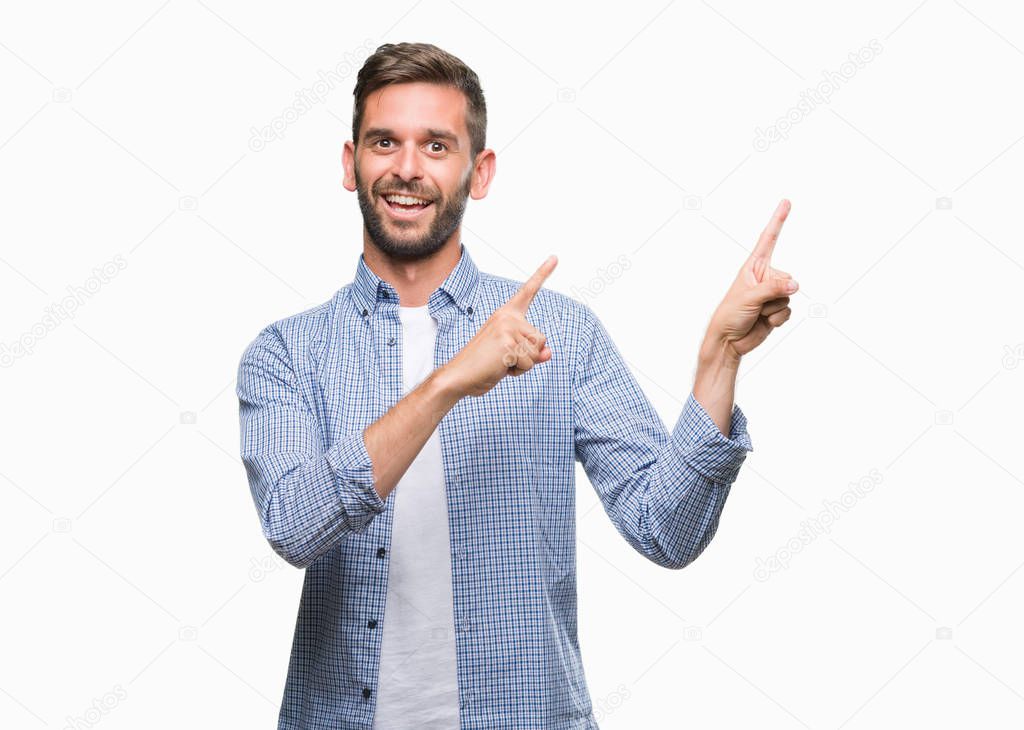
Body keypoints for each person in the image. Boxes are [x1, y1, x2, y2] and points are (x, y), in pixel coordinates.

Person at [236, 41, 798, 730]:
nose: (407, 168)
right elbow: (294, 528)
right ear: (352, 165)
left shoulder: (562, 332)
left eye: (437, 146)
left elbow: (666, 531)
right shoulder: (286, 354)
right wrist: (448, 383)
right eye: (385, 142)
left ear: (480, 171)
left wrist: (719, 360)